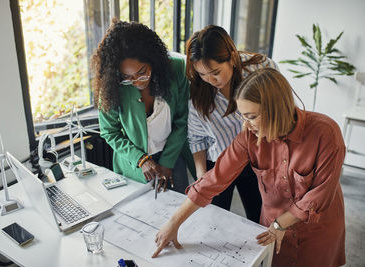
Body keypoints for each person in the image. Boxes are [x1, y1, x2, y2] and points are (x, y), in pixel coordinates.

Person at [153, 68, 346, 267]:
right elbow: (216, 178)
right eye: (242, 116)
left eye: (251, 117)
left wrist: (281, 224)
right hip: (271, 229)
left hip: (316, 233)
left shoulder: (326, 132)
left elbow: (320, 195)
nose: (245, 125)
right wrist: (174, 222)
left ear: (276, 109)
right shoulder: (249, 137)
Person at [186, 25, 278, 221]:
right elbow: (196, 138)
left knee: (259, 217)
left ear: (232, 57)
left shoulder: (262, 69)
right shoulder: (198, 89)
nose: (209, 79)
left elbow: (282, 111)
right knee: (214, 219)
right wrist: (202, 174)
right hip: (219, 161)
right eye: (202, 74)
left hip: (258, 160)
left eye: (215, 72)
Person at [92, 20, 195, 193]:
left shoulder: (177, 70)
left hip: (172, 154)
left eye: (142, 72)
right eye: (127, 76)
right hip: (135, 163)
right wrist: (141, 159)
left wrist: (167, 162)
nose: (136, 82)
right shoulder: (112, 86)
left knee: (180, 206)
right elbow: (110, 132)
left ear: (153, 60)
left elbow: (182, 121)